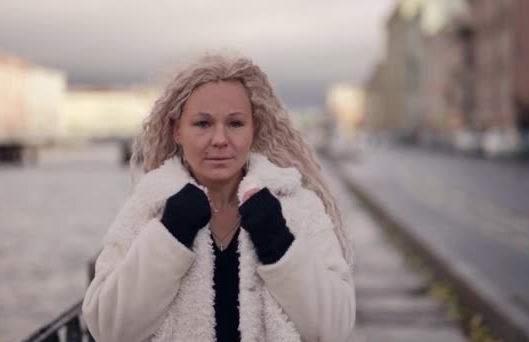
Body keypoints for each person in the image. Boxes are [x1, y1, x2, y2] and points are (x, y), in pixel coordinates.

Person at [82, 53, 355, 342]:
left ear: (255, 128)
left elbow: (335, 328)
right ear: (177, 130)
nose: (220, 139)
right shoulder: (150, 207)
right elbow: (107, 329)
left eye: (235, 123)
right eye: (202, 124)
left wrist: (278, 241)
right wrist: (169, 235)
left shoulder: (295, 205)